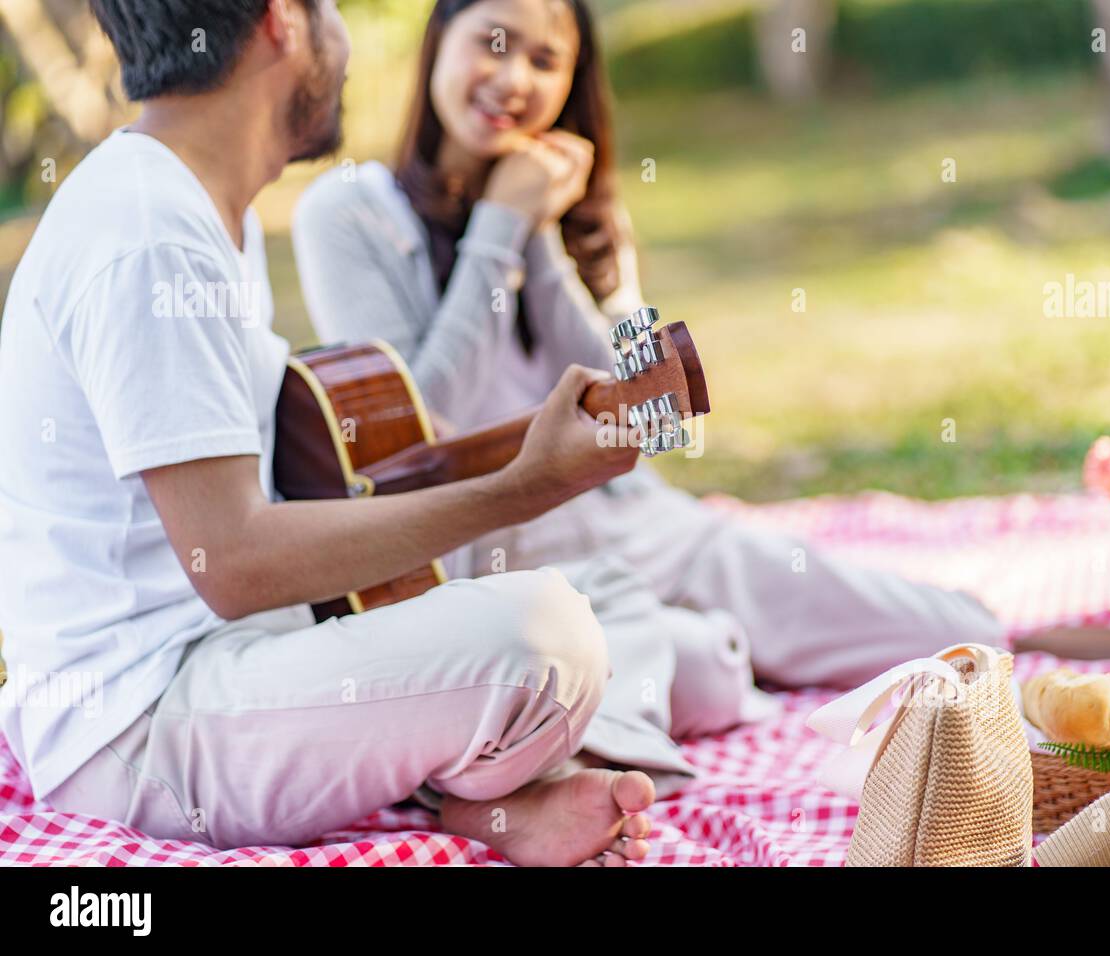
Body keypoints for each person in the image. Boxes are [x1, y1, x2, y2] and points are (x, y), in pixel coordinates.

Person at [0, 0, 668, 867]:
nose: (348, 43)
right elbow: (233, 561)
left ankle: (477, 798)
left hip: (236, 661)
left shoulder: (198, 206)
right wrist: (522, 486)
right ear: (284, 19)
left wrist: (527, 460)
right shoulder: (150, 234)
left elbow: (296, 492)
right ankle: (481, 788)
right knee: (547, 636)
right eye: (334, 10)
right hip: (137, 732)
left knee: (599, 598)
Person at [292, 0, 1004, 762]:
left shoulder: (587, 216)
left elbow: (658, 414)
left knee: (956, 636)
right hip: (508, 563)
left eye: (544, 60)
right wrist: (497, 228)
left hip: (643, 527)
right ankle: (714, 656)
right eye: (492, 45)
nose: (511, 78)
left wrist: (538, 238)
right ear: (438, 44)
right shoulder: (349, 212)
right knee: (698, 671)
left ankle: (721, 645)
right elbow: (427, 427)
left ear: (573, 83)